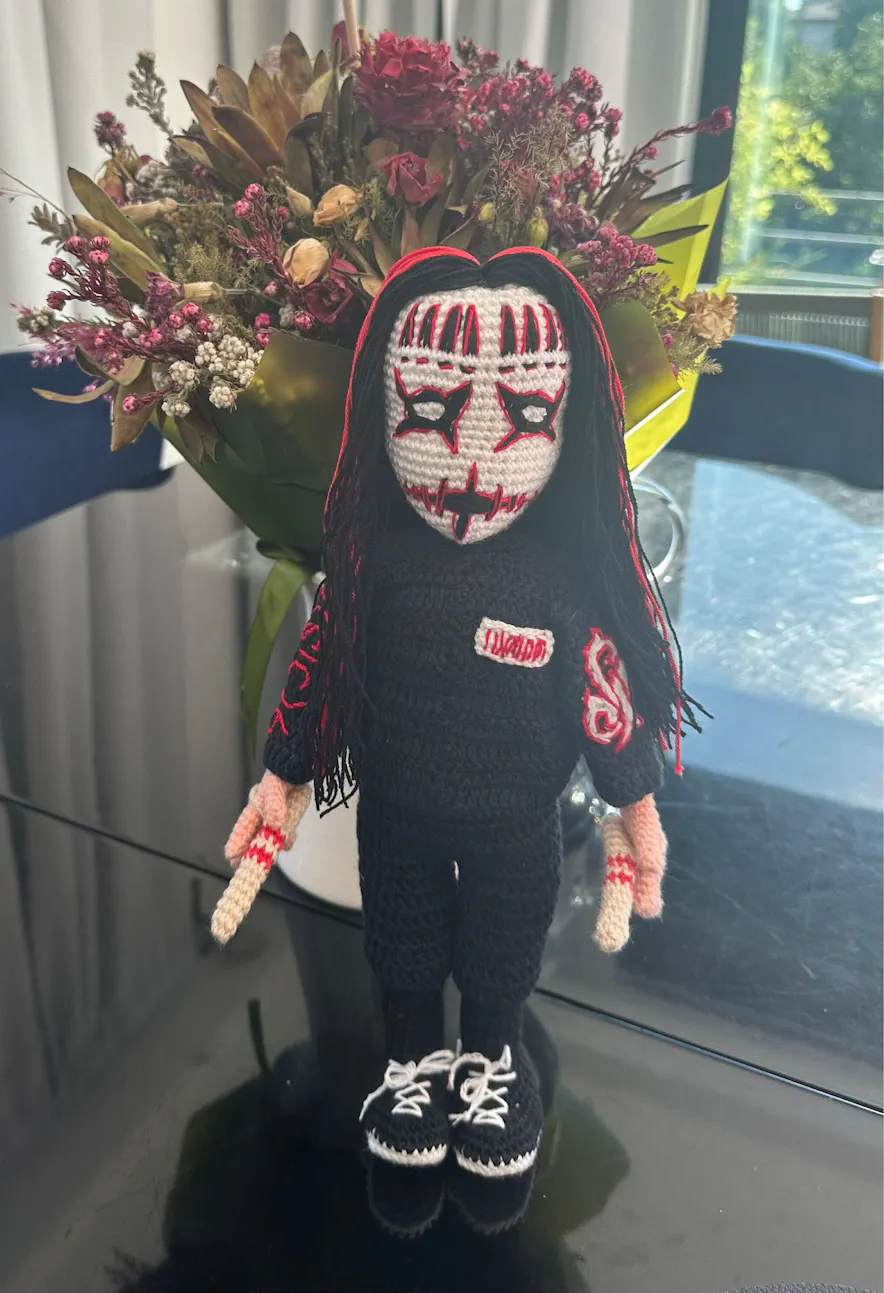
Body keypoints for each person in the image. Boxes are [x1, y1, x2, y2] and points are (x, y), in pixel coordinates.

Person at [226, 245, 697, 1193]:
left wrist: (634, 801)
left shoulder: (560, 583)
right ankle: (409, 1063)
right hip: (396, 806)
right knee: (398, 935)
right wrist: (284, 772)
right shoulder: (372, 567)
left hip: (520, 817)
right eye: (432, 411)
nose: (474, 461)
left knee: (505, 942)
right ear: (385, 407)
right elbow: (324, 662)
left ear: (564, 422)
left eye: (521, 416)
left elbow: (604, 695)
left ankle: (491, 1059)